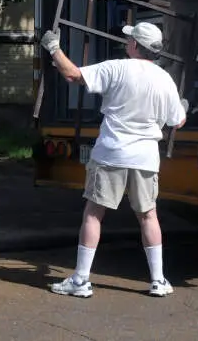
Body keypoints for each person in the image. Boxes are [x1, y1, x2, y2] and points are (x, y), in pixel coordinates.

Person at [40, 22, 186, 298]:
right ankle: (158, 280)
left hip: (112, 152)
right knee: (148, 215)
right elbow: (177, 120)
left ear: (134, 46)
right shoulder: (165, 79)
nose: (126, 42)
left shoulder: (117, 67)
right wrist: (183, 107)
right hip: (146, 158)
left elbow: (72, 75)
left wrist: (53, 48)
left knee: (94, 214)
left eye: (129, 39)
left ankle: (81, 280)